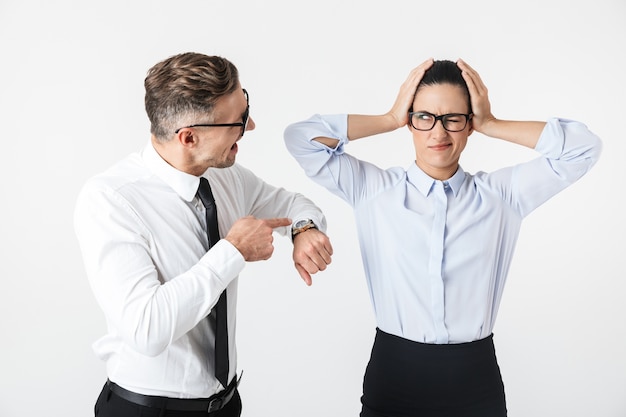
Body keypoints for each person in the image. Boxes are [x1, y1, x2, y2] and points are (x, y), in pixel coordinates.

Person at [284, 58, 601, 417]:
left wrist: (493, 124)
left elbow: (583, 148)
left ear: (469, 126)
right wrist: (388, 118)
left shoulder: (501, 195)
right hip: (393, 377)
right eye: (425, 118)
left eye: (453, 119)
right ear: (410, 121)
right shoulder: (373, 189)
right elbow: (300, 138)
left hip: (475, 382)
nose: (439, 133)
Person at [74, 52, 333, 417]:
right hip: (148, 410)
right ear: (189, 137)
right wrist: (233, 251)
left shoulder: (224, 176)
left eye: (246, 108)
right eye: (237, 122)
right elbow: (146, 330)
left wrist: (303, 229)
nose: (252, 126)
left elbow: (291, 203)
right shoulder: (111, 200)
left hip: (226, 405)